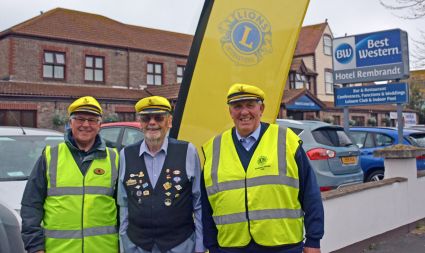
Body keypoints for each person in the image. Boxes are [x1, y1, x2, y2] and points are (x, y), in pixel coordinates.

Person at [201, 84, 324, 253]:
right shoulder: (214, 148)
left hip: (283, 246)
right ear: (230, 112)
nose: (244, 112)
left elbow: (310, 193)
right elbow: (206, 205)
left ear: (261, 109)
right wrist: (212, 246)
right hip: (230, 248)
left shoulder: (286, 140)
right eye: (237, 106)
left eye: (250, 105)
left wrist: (313, 240)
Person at [21, 96, 119, 253]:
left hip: (104, 249)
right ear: (70, 122)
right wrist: (36, 246)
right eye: (80, 119)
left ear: (99, 125)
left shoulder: (115, 158)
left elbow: (125, 209)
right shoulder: (50, 157)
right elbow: (31, 205)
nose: (86, 125)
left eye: (92, 120)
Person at [118, 96, 205, 253]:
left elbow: (198, 202)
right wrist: (124, 241)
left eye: (159, 117)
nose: (152, 123)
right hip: (138, 246)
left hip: (180, 245)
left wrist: (200, 244)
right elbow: (124, 203)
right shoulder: (126, 154)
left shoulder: (187, 151)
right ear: (140, 124)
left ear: (169, 122)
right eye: (146, 118)